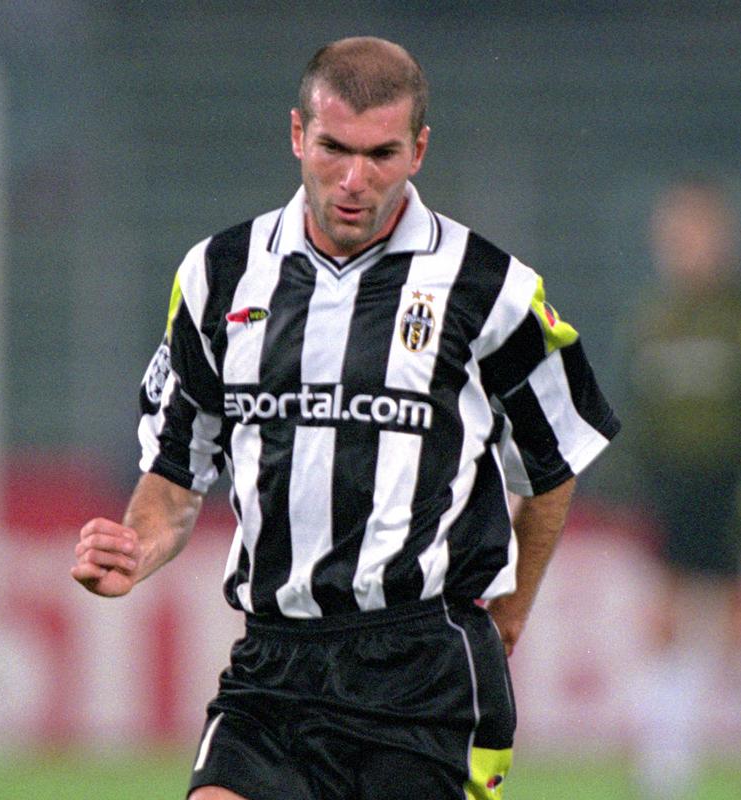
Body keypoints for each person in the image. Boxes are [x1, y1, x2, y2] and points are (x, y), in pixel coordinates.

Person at [71, 36, 619, 800]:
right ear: (298, 134)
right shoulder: (217, 275)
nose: (354, 180)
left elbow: (552, 459)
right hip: (272, 668)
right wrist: (135, 547)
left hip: (422, 672)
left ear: (417, 150)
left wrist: (512, 611)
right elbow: (175, 472)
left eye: (380, 154)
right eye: (333, 148)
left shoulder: (487, 286)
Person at [622, 178, 741, 800]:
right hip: (672, 487)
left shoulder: (734, 316)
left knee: (732, 617)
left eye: (699, 232)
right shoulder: (653, 320)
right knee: (665, 615)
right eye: (677, 233)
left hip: (731, 484)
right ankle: (666, 760)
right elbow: (637, 414)